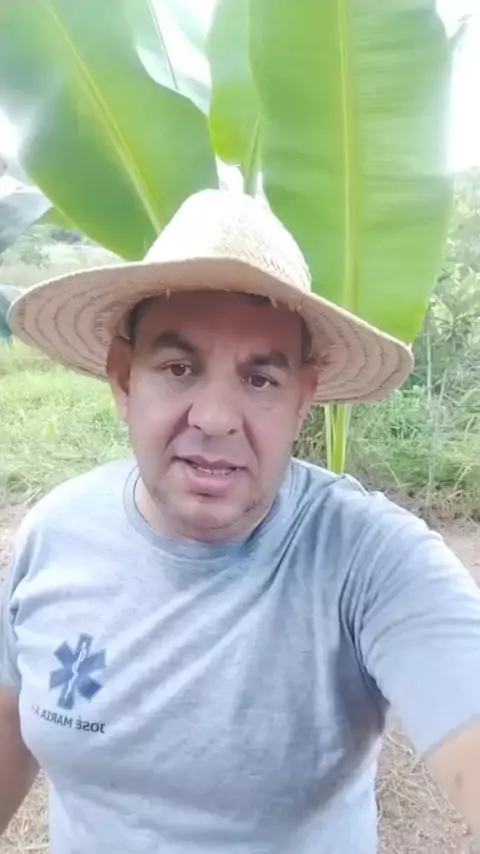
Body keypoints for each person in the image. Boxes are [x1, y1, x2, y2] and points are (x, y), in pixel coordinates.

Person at [1, 190, 480, 854]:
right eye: (178, 368)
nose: (216, 418)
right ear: (123, 379)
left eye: (261, 381)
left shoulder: (373, 562)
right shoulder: (55, 533)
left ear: (304, 398)